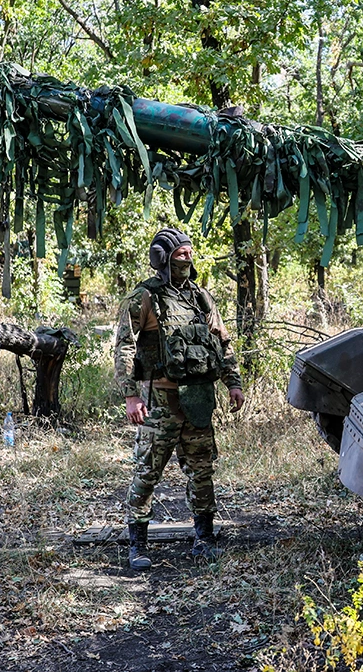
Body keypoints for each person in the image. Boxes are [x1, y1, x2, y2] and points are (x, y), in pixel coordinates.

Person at [114, 227, 245, 570]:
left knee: (202, 471)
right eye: (181, 253)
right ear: (162, 258)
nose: (188, 257)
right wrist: (131, 395)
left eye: (190, 252)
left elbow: (222, 343)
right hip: (160, 400)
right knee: (147, 472)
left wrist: (234, 383)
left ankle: (205, 537)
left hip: (199, 399)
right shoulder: (145, 297)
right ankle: (137, 545)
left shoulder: (202, 298)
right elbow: (125, 346)